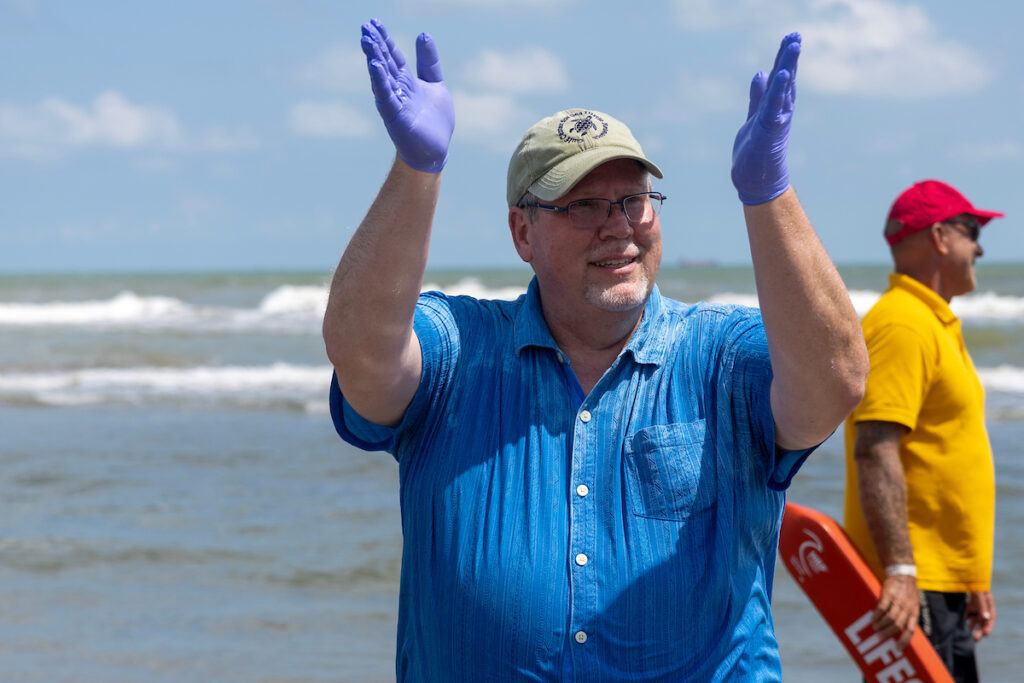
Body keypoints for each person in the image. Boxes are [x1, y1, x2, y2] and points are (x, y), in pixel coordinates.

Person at [323, 18, 867, 682]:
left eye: (634, 199)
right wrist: (417, 170)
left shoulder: (721, 357)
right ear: (523, 232)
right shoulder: (459, 352)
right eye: (583, 205)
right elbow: (363, 354)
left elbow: (834, 383)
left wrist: (768, 193)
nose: (619, 226)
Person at [843, 180, 1003, 682]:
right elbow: (875, 448)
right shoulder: (905, 325)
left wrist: (969, 576)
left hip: (942, 579)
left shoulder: (932, 323)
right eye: (971, 230)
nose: (979, 246)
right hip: (917, 584)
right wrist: (901, 572)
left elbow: (944, 452)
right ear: (939, 236)